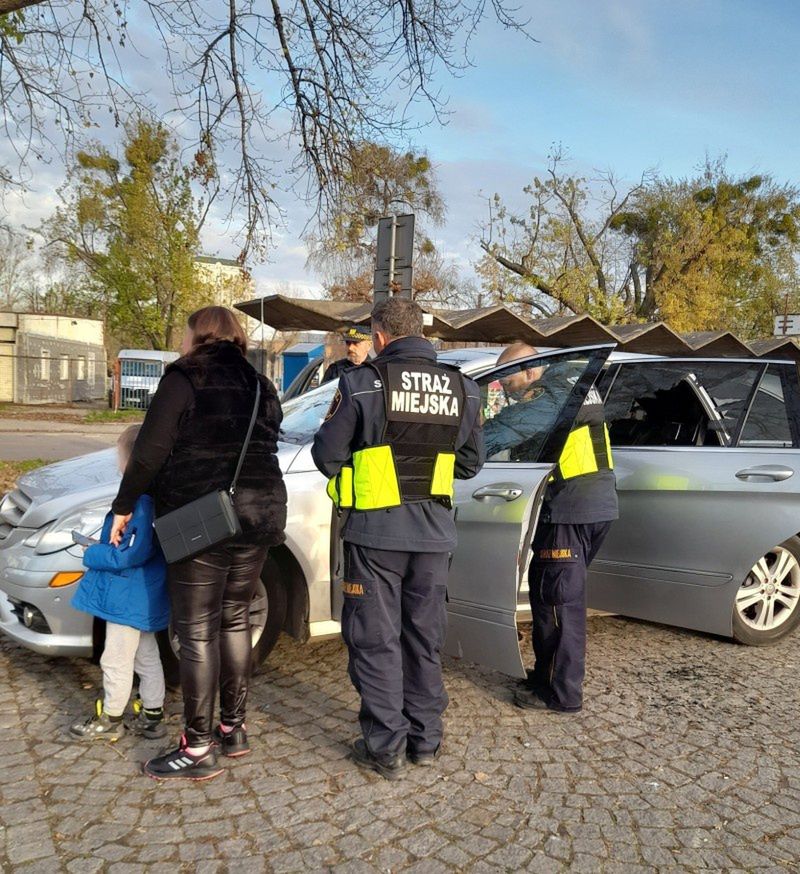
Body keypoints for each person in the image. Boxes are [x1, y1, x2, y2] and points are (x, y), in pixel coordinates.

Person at [108, 306, 287, 781]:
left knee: (198, 631)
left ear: (198, 335)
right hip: (261, 512)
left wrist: (123, 506)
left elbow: (148, 451)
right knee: (234, 619)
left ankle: (197, 746)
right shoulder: (262, 385)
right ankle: (233, 727)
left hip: (201, 517)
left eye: (185, 335)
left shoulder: (185, 376)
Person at [312, 297, 484, 779]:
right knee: (423, 638)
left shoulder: (362, 383)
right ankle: (425, 740)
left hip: (376, 535)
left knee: (376, 640)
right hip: (434, 536)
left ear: (380, 335)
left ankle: (386, 747)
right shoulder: (465, 389)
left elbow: (326, 455)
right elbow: (471, 464)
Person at [485, 342, 617, 714]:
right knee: (549, 596)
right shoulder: (573, 381)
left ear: (529, 369)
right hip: (587, 506)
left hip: (571, 509)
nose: (507, 392)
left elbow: (510, 428)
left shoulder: (555, 392)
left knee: (559, 605)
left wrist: (465, 444)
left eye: (508, 383)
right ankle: (546, 677)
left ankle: (561, 694)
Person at [69, 425, 170, 742]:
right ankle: (153, 713)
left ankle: (111, 718)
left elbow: (131, 554)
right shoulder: (157, 497)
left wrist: (93, 553)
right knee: (146, 655)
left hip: (127, 597)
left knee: (114, 658)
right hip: (143, 594)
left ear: (131, 461)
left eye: (119, 455)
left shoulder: (139, 503)